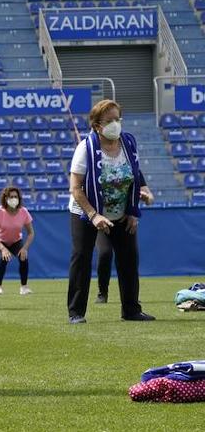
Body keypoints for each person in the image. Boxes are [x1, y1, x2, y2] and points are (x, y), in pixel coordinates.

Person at [66, 99, 155, 324]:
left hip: (121, 212)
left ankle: (131, 310)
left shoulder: (128, 144)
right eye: (109, 120)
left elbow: (135, 175)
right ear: (97, 125)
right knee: (82, 258)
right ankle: (76, 312)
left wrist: (137, 204)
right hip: (86, 212)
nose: (115, 124)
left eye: (118, 119)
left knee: (128, 259)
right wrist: (94, 215)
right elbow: (75, 188)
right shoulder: (85, 148)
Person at [0, 185, 35, 297]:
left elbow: (31, 233)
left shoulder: (23, 212)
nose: (14, 199)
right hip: (0, 241)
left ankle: (24, 287)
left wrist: (24, 248)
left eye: (15, 196)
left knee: (23, 258)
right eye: (11, 196)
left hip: (16, 241)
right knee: (3, 259)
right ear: (5, 198)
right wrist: (3, 248)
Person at [95, 232, 113, 304]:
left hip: (123, 223)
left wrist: (134, 219)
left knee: (127, 256)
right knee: (104, 253)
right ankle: (102, 293)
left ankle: (131, 295)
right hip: (102, 226)